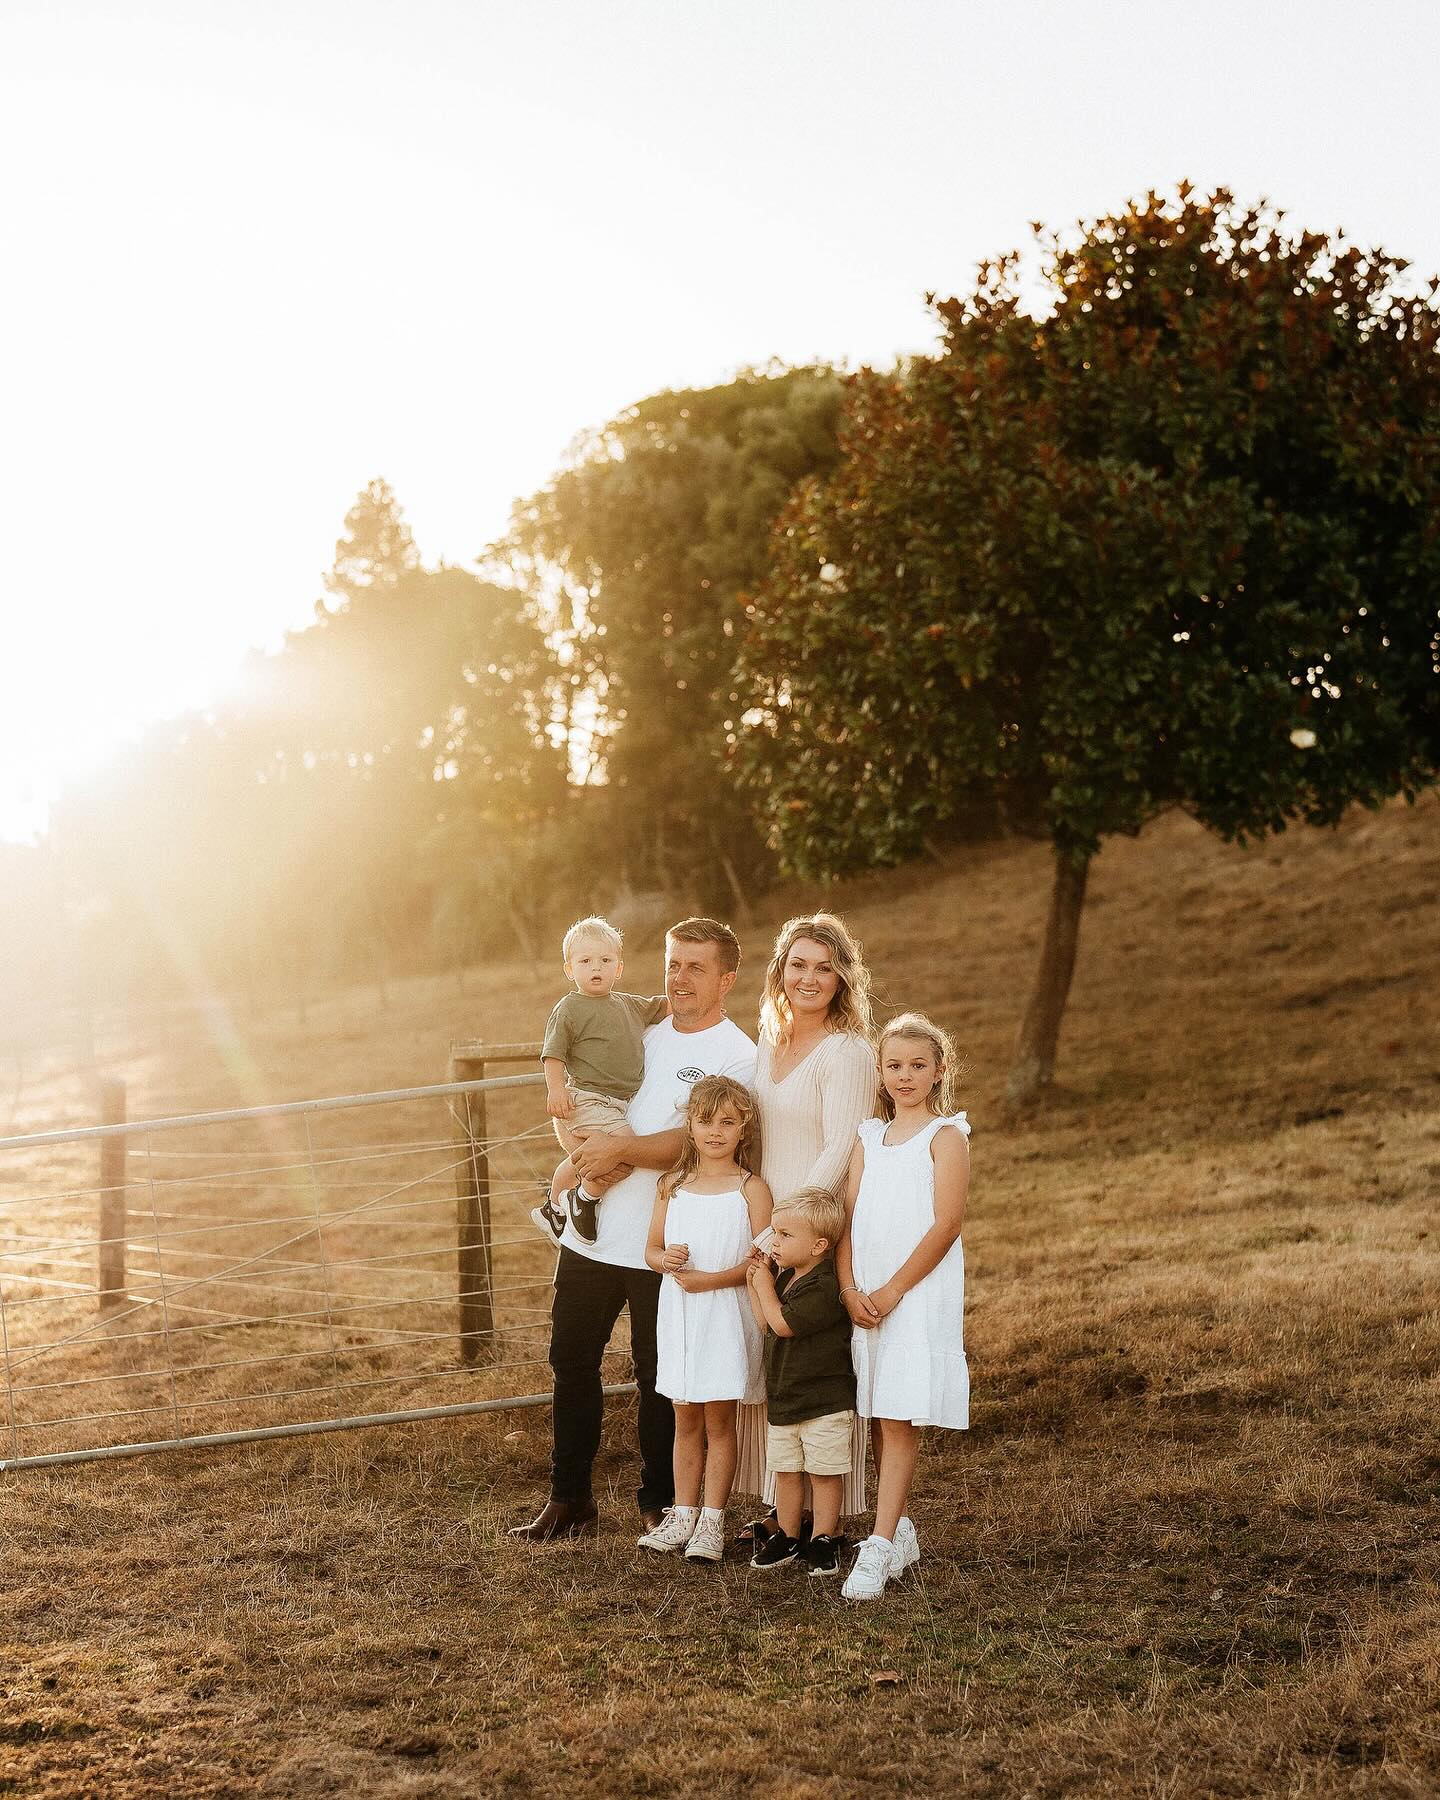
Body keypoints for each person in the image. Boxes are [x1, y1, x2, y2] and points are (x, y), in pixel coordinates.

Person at [510, 919, 756, 1543]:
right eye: (673, 964)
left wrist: (617, 1149)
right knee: (571, 1360)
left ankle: (659, 1500)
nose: (679, 978)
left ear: (727, 979)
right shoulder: (634, 1024)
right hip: (593, 1235)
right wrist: (580, 1139)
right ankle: (569, 1497)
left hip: (666, 1240)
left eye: (696, 967)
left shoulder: (735, 1054)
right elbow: (583, 1084)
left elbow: (692, 1141)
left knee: (657, 1375)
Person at [738, 913, 876, 1537]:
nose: (809, 978)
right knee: (771, 1363)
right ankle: (778, 1509)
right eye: (798, 965)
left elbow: (840, 1147)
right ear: (780, 971)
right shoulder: (769, 1046)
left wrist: (787, 1232)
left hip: (814, 1230)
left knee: (811, 1366)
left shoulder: (847, 1050)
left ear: (843, 979)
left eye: (824, 968)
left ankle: (825, 1520)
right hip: (771, 1223)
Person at [836, 1011, 971, 1601]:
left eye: (918, 1066)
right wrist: (849, 1289)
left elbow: (945, 1226)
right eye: (895, 1065)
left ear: (938, 1071)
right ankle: (901, 1531)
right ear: (881, 1071)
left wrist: (892, 1292)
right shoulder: (869, 1138)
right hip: (865, 1295)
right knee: (875, 1408)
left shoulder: (946, 1138)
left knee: (897, 1415)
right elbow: (847, 1222)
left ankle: (880, 1542)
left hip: (912, 1295)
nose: (905, 1076)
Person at [638, 1076, 771, 1561]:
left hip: (725, 1317)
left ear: (743, 1128)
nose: (716, 1131)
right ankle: (683, 1513)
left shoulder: (751, 1189)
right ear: (689, 1126)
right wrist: (665, 1259)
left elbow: (762, 1261)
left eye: (728, 1122)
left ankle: (712, 1522)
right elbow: (650, 1249)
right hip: (681, 1316)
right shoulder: (671, 1186)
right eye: (705, 1121)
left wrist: (711, 1280)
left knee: (719, 1420)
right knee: (683, 1417)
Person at [530, 916, 667, 1244]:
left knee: (591, 1156)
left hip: (618, 1101)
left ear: (618, 968)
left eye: (606, 961)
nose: (597, 968)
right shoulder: (569, 1008)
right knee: (626, 1147)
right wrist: (555, 1089)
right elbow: (553, 1054)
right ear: (570, 970)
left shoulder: (627, 1004)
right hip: (588, 1098)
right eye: (586, 961)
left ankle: (553, 1206)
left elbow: (662, 1007)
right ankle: (584, 1200)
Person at [744, 1187, 857, 1577]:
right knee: (787, 1471)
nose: (775, 1242)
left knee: (824, 1472)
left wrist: (762, 1287)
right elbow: (765, 1324)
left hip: (823, 1399)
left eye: (785, 1235)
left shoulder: (824, 1284)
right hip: (785, 1397)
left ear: (818, 1245)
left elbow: (784, 1325)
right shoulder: (787, 1278)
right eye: (775, 1233)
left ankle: (825, 1537)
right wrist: (755, 1282)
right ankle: (789, 1534)